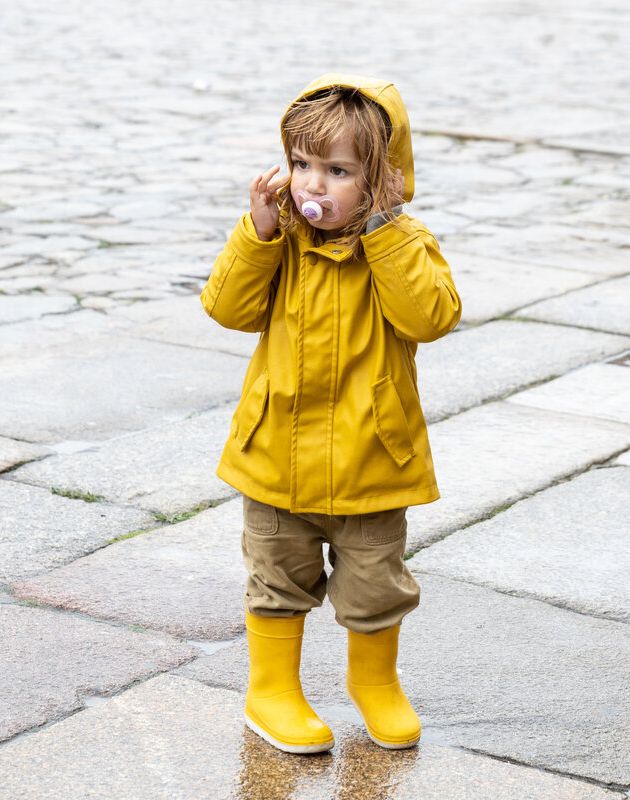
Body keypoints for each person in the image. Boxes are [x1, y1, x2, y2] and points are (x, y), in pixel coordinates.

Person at [201, 74, 461, 754]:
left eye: (339, 171)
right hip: (275, 455)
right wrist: (256, 233)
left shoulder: (404, 242)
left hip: (371, 459)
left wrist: (385, 232)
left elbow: (430, 317)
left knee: (376, 582)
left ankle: (374, 682)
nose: (313, 185)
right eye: (302, 164)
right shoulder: (280, 240)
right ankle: (272, 690)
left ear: (383, 181)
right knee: (276, 575)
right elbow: (228, 309)